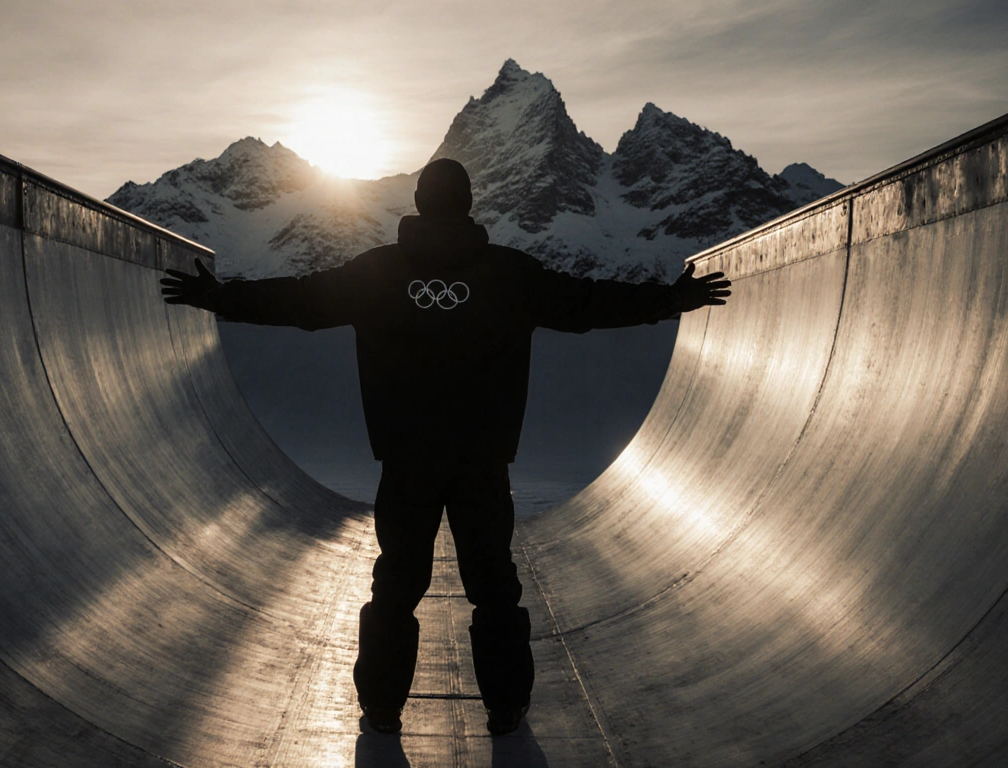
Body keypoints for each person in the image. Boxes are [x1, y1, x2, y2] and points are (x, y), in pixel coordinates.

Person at [160, 158, 731, 736]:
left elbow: (301, 303)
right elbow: (587, 305)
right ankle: (505, 707)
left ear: (417, 201)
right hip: (482, 462)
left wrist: (220, 298)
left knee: (397, 584)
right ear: (469, 204)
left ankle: (382, 708)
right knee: (493, 587)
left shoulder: (377, 273)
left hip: (406, 461)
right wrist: (670, 300)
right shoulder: (509, 274)